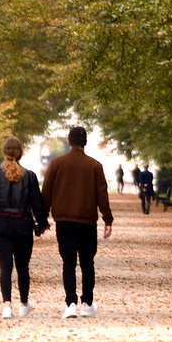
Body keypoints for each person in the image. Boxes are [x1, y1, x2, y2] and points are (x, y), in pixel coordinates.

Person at [41, 125, 113, 318]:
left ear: (69, 142)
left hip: (64, 220)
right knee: (87, 262)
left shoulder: (56, 163)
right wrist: (107, 219)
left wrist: (42, 218)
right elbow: (102, 194)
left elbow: (46, 192)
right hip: (87, 221)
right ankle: (87, 303)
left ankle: (70, 303)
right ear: (85, 143)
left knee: (68, 262)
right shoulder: (94, 166)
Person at [0, 136, 48, 319]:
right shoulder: (29, 176)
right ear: (20, 153)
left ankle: (6, 305)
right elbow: (37, 205)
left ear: (4, 152)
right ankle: (24, 303)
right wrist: (41, 223)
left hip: (1, 224)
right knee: (23, 266)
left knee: (5, 266)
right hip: (22, 224)